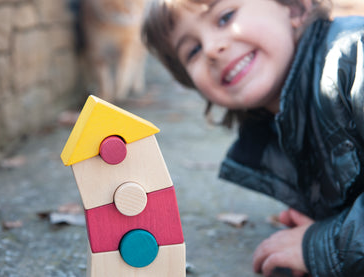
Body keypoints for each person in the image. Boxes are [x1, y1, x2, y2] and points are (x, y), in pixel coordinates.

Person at [141, 0, 364, 276]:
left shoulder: (356, 58)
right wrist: (329, 220)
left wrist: (326, 245)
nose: (211, 48)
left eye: (225, 17)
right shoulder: (279, 133)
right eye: (193, 50)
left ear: (294, 8)